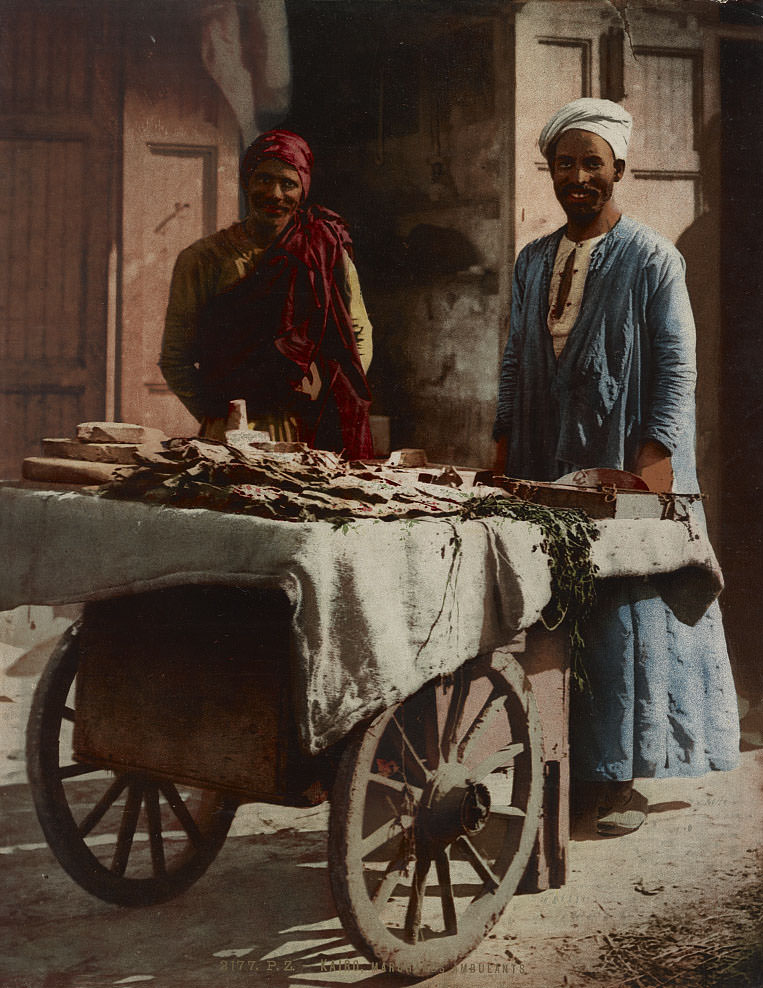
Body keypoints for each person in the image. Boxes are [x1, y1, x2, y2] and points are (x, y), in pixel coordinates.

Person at [493, 98, 739, 834]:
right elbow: (514, 358)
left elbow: (673, 362)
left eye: (590, 164)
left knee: (626, 612)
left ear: (618, 171)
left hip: (624, 457)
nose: (577, 178)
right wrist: (504, 441)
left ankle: (621, 779)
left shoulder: (653, 257)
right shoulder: (532, 261)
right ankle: (560, 770)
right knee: (556, 608)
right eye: (564, 164)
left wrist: (655, 456)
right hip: (546, 453)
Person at [160, 129, 374, 459]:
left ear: (303, 189)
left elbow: (358, 334)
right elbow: (175, 357)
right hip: (229, 436)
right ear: (247, 182)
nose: (274, 194)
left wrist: (334, 396)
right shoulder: (202, 259)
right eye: (264, 180)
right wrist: (217, 414)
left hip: (308, 432)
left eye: (287, 184)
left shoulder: (324, 249)